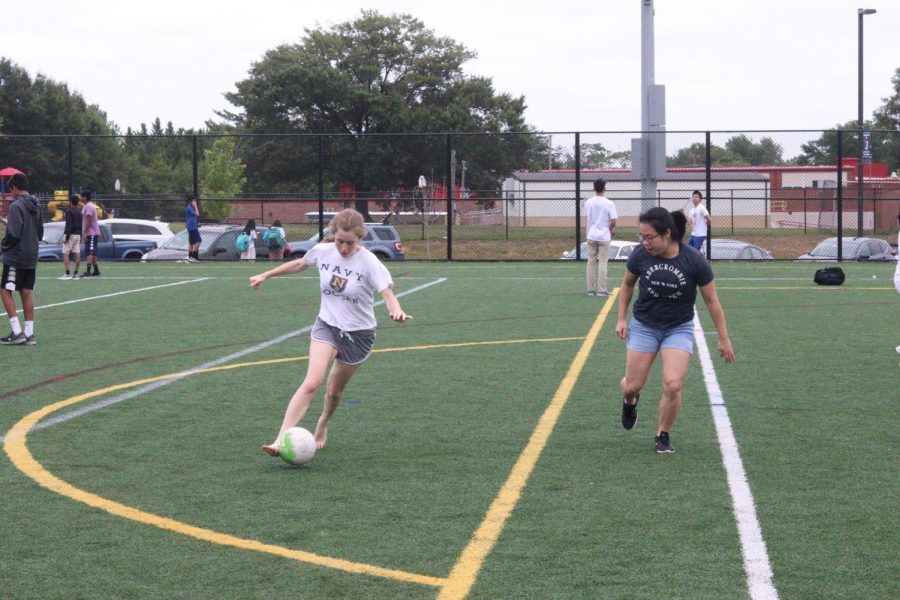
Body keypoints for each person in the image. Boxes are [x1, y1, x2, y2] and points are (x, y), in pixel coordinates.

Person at [250, 208, 413, 454]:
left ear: (360, 239)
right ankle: (279, 439)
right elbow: (299, 263)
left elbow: (387, 293)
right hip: (327, 325)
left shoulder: (369, 261)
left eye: (350, 243)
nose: (344, 248)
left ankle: (323, 422)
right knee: (311, 383)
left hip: (359, 336)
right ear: (333, 235)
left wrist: (396, 310)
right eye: (339, 242)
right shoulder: (324, 251)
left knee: (334, 392)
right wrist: (266, 274)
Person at [615, 207, 734, 454]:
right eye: (641, 236)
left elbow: (712, 301)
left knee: (673, 384)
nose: (644, 242)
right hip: (645, 325)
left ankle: (663, 433)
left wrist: (724, 338)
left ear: (666, 234)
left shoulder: (694, 260)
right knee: (632, 386)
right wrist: (621, 319)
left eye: (649, 237)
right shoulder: (640, 255)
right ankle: (629, 401)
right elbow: (627, 285)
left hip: (678, 328)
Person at [1, 173, 43, 345]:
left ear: (15, 188)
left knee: (5, 290)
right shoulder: (37, 205)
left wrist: (3, 246)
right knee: (26, 292)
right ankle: (29, 334)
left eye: (10, 190)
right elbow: (39, 233)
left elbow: (14, 233)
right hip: (31, 254)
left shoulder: (17, 206)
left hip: (16, 256)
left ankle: (17, 332)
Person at [584, 178, 618, 297]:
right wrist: (611, 229)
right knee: (603, 262)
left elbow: (588, 217)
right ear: (605, 188)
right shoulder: (609, 203)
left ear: (593, 188)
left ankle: (590, 289)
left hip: (591, 235)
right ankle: (602, 290)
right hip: (604, 236)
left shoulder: (588, 202)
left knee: (591, 261)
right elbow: (613, 221)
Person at [60, 194, 82, 280]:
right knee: (77, 253)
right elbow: (81, 224)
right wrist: (81, 235)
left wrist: (66, 238)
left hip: (71, 234)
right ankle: (76, 274)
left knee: (65, 253)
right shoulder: (80, 211)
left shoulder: (69, 211)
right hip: (78, 234)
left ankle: (67, 274)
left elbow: (69, 225)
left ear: (70, 202)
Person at [81, 190, 100, 276]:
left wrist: (84, 232)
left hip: (91, 233)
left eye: (81, 196)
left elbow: (89, 219)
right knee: (92, 252)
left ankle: (88, 271)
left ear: (85, 197)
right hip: (91, 233)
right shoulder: (88, 205)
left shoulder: (88, 206)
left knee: (90, 252)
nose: (80, 198)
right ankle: (96, 270)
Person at [185, 194, 201, 263]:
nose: (195, 202)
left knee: (191, 243)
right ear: (191, 201)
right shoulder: (190, 208)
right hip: (192, 227)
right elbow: (198, 214)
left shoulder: (190, 207)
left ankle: (190, 258)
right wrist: (195, 206)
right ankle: (194, 257)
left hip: (191, 227)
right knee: (198, 241)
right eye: (194, 200)